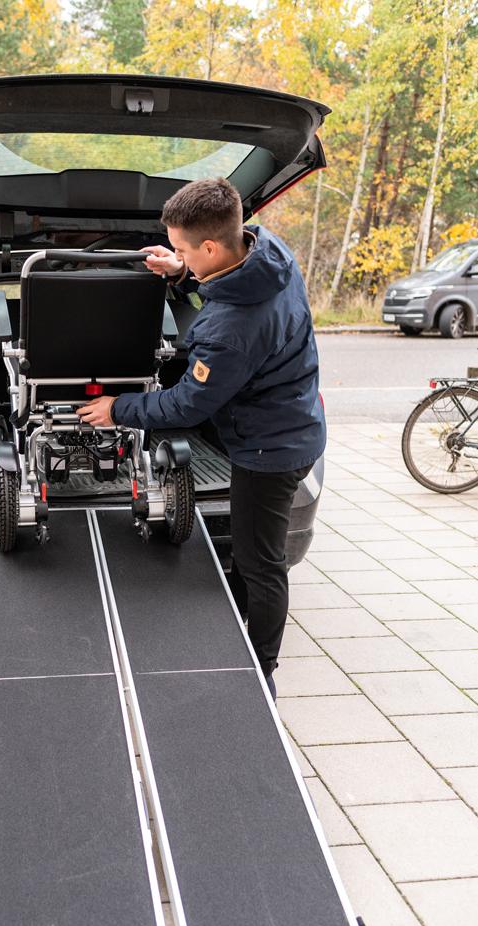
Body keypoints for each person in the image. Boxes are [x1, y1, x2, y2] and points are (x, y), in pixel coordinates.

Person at [77, 177, 325, 700]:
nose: (180, 255)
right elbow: (227, 282)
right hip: (293, 421)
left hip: (269, 451)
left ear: (211, 246)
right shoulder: (269, 251)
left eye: (185, 250)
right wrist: (180, 271)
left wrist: (117, 408)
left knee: (260, 563)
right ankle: (242, 632)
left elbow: (186, 405)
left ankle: (261, 671)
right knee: (255, 553)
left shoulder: (232, 329)